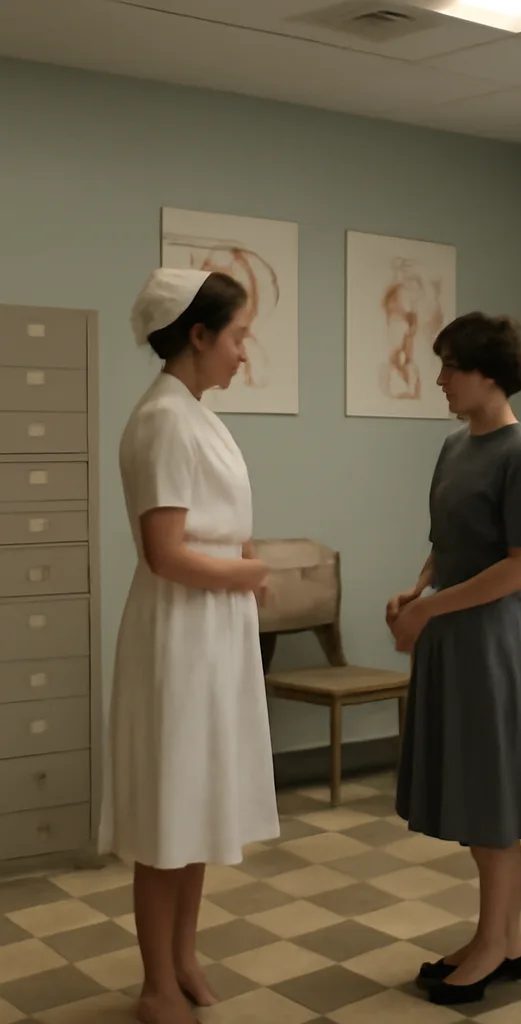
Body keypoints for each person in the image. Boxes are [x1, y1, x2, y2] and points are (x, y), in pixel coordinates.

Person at [99, 268, 279, 1024]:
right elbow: (163, 552)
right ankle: (154, 984)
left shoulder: (199, 413)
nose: (244, 352)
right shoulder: (164, 419)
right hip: (180, 631)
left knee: (199, 804)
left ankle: (183, 957)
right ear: (198, 336)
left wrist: (241, 570)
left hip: (215, 628)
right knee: (167, 811)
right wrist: (250, 571)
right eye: (237, 335)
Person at [387, 312, 521, 1007]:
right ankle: (504, 937)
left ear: (489, 373)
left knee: (491, 803)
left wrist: (431, 609)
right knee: (470, 794)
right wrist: (419, 586)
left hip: (494, 642)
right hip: (455, 632)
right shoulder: (455, 448)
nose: (440, 380)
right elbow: (449, 540)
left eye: (451, 367)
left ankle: (497, 944)